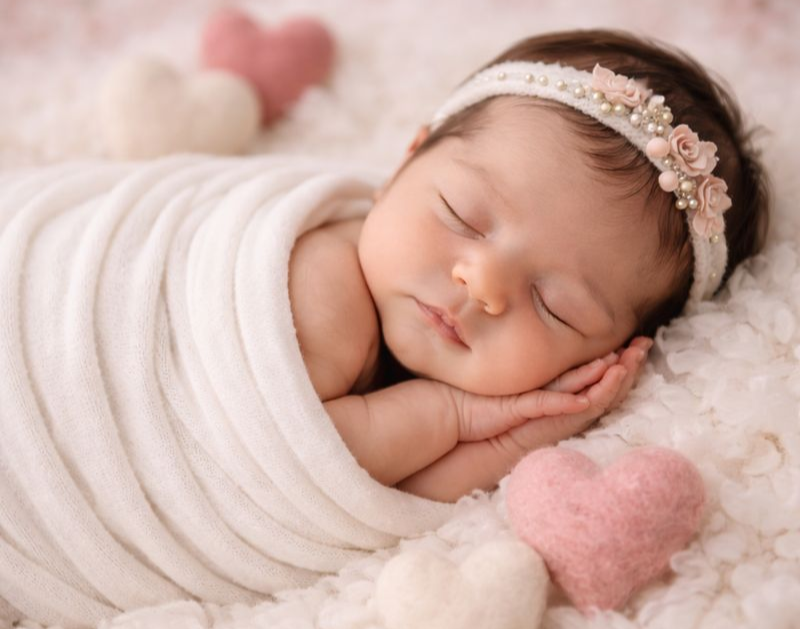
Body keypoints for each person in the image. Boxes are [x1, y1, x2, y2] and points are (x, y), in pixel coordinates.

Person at [288, 28, 770, 502]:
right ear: (405, 162)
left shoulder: (486, 402)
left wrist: (519, 436)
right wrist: (450, 416)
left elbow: (393, 506)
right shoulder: (321, 276)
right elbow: (296, 458)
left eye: (554, 306)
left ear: (606, 356)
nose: (482, 286)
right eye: (463, 217)